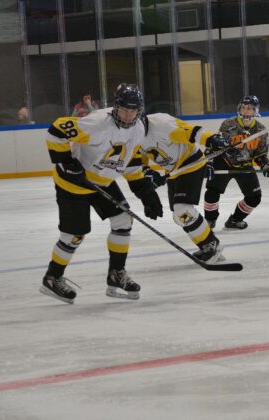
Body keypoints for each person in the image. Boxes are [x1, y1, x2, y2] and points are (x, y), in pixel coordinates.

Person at [40, 83, 163, 304]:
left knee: (123, 219)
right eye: (124, 110)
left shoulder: (138, 129)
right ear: (116, 107)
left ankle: (116, 273)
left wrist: (145, 192)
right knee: (74, 235)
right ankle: (52, 277)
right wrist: (67, 162)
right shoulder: (96, 123)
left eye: (133, 111)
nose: (128, 115)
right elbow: (57, 130)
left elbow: (130, 161)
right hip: (73, 183)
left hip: (103, 181)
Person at [140, 113, 231, 263]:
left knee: (183, 209)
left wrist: (211, 139)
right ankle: (207, 245)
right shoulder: (130, 133)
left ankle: (210, 244)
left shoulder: (161, 124)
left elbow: (192, 131)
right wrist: (146, 171)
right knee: (179, 216)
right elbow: (137, 158)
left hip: (191, 163)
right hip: (173, 171)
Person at [203, 95, 269, 230]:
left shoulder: (261, 130)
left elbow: (260, 154)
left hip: (245, 166)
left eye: (249, 108)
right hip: (224, 162)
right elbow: (215, 145)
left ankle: (235, 220)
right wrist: (209, 163)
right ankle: (209, 220)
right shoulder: (228, 124)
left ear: (255, 111)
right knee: (212, 192)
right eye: (243, 107)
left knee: (254, 197)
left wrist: (266, 165)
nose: (246, 111)